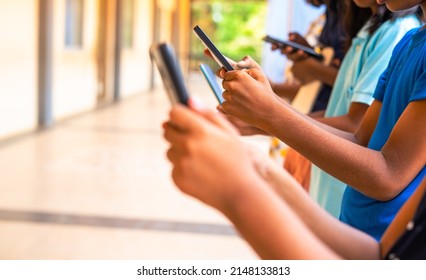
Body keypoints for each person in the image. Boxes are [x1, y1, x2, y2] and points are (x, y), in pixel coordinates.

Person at [202, 0, 425, 241]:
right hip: (356, 229)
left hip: (387, 243)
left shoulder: (399, 33)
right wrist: (267, 106)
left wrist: (271, 113)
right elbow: (360, 138)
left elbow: (388, 176)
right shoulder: (409, 42)